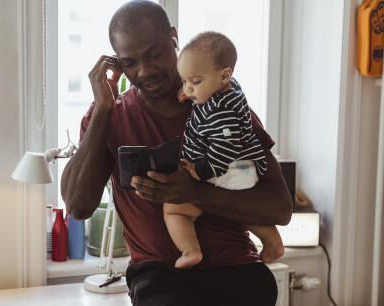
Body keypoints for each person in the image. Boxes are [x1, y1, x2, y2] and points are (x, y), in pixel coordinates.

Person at [60, 1, 292, 305]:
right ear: (118, 64)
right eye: (130, 63)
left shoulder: (224, 106)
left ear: (173, 37)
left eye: (154, 54)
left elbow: (280, 209)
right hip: (159, 277)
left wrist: (195, 191)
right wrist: (102, 108)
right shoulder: (110, 116)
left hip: (237, 268)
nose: (144, 71)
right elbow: (78, 208)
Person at [164, 32, 284, 270]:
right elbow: (207, 91)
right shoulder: (227, 89)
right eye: (185, 81)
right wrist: (192, 90)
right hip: (238, 167)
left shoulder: (221, 112)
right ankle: (273, 241)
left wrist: (200, 171)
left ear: (224, 75)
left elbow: (223, 148)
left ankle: (190, 250)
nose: (188, 89)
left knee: (176, 209)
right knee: (239, 211)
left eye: (195, 82)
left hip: (228, 168)